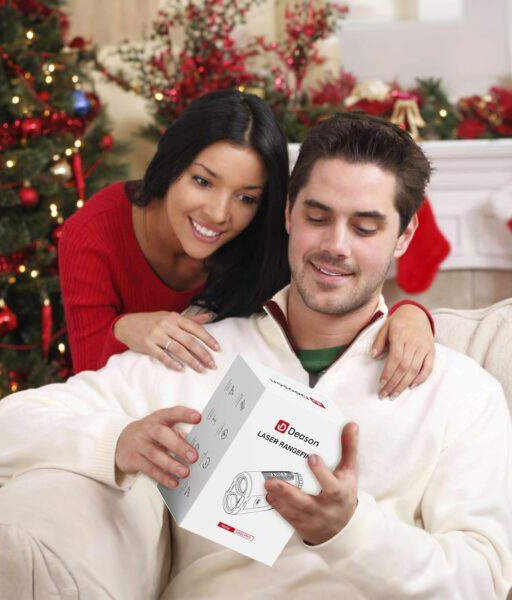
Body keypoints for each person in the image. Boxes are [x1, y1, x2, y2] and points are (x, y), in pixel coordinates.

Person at [0, 113, 512, 599]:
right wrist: (114, 443)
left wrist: (350, 529)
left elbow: (483, 580)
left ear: (404, 236)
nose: (336, 245)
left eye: (365, 227)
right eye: (318, 217)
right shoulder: (200, 354)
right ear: (287, 214)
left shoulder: (461, 393)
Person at [59, 89, 434, 398]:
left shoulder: (264, 236)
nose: (218, 214)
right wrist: (122, 328)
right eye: (203, 181)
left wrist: (411, 315)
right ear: (173, 164)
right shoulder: (93, 233)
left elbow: (330, 293)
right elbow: (89, 387)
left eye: (246, 197)